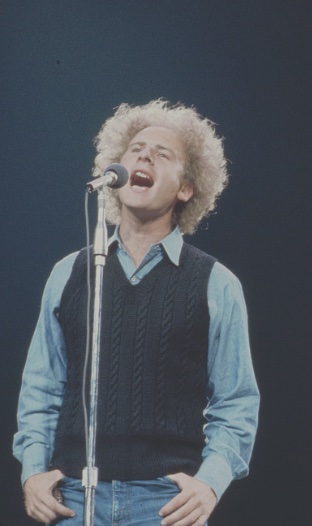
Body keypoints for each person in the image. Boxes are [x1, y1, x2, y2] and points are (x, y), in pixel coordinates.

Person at [14, 100, 260, 526]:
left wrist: (211, 482)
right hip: (71, 497)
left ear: (186, 188)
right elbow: (42, 386)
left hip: (164, 503)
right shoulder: (68, 274)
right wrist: (33, 471)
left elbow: (236, 402)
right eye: (135, 149)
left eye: (162, 154)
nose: (144, 156)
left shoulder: (216, 283)